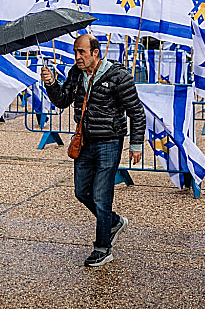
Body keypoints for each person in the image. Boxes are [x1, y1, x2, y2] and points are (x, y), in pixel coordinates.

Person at [41, 33, 146, 267]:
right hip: (84, 142)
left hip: (110, 142)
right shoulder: (76, 73)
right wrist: (50, 83)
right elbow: (61, 100)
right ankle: (114, 221)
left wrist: (136, 145)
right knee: (81, 192)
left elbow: (136, 112)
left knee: (101, 195)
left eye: (82, 52)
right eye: (75, 51)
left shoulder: (118, 76)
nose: (77, 57)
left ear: (95, 53)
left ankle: (102, 248)